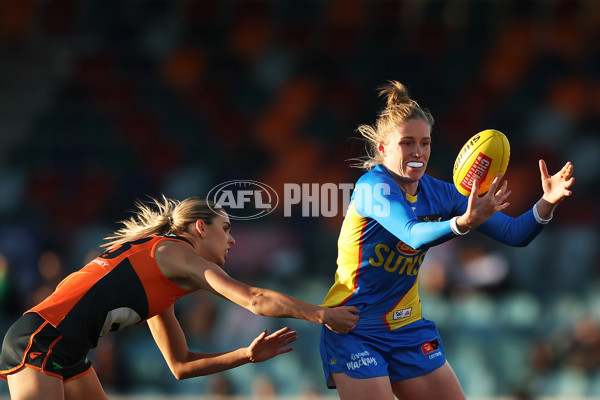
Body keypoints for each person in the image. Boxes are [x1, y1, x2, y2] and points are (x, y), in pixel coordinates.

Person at [319, 81, 574, 400]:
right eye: (407, 143)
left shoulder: (440, 192)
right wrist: (463, 223)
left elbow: (515, 234)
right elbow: (411, 233)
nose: (418, 152)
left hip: (406, 325)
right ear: (383, 148)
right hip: (354, 326)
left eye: (424, 143)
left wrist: (546, 202)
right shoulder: (373, 188)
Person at [0, 196, 359, 400]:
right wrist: (322, 314)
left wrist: (246, 355)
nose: (232, 240)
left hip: (65, 351)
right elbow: (253, 298)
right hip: (41, 340)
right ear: (200, 228)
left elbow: (181, 365)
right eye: (226, 229)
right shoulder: (175, 251)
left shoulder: (161, 282)